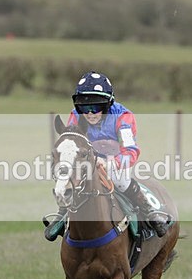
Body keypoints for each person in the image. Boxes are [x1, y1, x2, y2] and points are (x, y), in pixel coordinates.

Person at [43, 71, 171, 241]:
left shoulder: (123, 117)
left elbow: (130, 152)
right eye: (83, 107)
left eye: (96, 107)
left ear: (108, 104)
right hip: (86, 162)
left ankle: (150, 214)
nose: (89, 113)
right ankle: (61, 216)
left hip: (116, 162)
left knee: (120, 180)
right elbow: (71, 146)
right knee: (70, 181)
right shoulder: (75, 116)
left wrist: (110, 163)